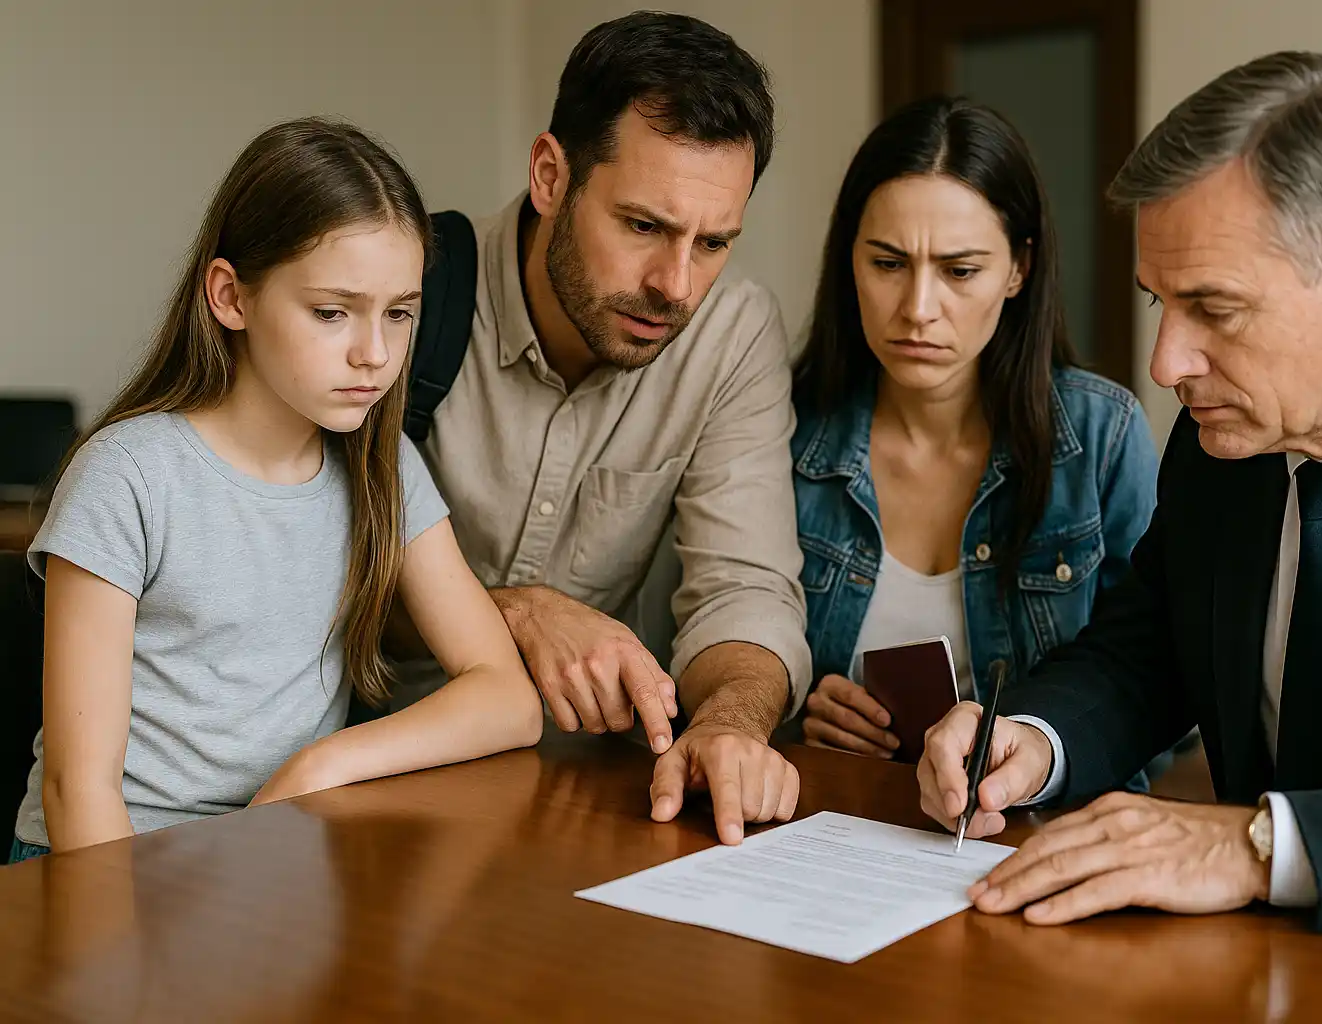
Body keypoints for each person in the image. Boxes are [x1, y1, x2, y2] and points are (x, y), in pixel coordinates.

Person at [919, 51, 1322, 934]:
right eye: (1159, 304)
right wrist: (1033, 741)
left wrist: (1253, 845)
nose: (1167, 364)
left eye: (1216, 309)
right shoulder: (1228, 439)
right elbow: (1149, 654)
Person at [8, 118, 544, 865]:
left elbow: (508, 700)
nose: (375, 354)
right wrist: (124, 971)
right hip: (104, 865)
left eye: (399, 313)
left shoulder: (381, 466)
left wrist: (321, 765)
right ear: (230, 296)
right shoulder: (126, 474)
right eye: (332, 313)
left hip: (270, 854)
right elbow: (77, 793)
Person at [389, 12, 808, 845]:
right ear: (551, 175)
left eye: (715, 241)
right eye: (644, 226)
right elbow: (296, 585)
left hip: (575, 811)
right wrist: (510, 612)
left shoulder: (732, 333)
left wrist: (729, 723)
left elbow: (745, 589)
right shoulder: (400, 296)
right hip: (359, 790)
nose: (677, 286)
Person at [790, 97, 1158, 763]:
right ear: (849, 260)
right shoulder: (785, 432)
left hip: (1033, 834)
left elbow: (1166, 706)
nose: (918, 309)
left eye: (960, 271)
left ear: (1018, 268)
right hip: (831, 826)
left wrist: (1033, 745)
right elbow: (705, 657)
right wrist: (794, 711)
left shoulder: (1103, 437)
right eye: (888, 263)